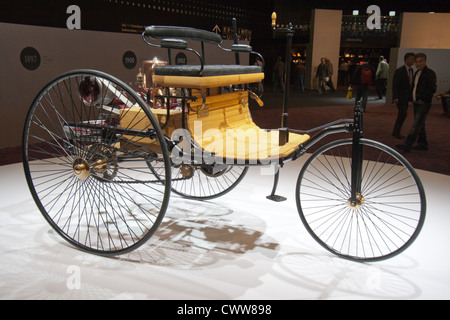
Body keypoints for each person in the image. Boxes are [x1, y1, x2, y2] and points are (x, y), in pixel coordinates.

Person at [397, 53, 437, 152]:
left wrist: (423, 99)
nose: (418, 64)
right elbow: (414, 87)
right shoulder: (417, 73)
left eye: (420, 61)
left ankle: (407, 144)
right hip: (416, 102)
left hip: (423, 103)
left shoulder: (430, 73)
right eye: (416, 62)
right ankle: (423, 144)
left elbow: (432, 88)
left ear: (425, 61)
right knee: (420, 124)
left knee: (416, 125)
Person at [391, 52, 415, 139]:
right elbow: (395, 84)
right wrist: (395, 97)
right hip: (400, 97)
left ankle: (396, 131)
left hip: (407, 96)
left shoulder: (411, 70)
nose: (413, 61)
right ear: (406, 59)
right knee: (402, 113)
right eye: (412, 59)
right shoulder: (399, 71)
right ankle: (396, 131)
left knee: (403, 114)